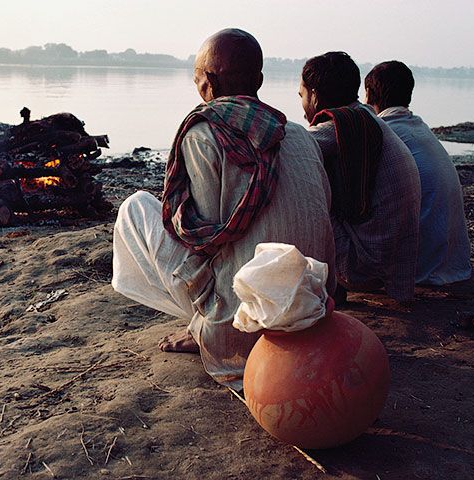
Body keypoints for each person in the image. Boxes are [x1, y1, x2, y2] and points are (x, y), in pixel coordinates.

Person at [112, 29, 336, 389]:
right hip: (314, 310)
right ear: (259, 80)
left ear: (208, 83)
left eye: (197, 76)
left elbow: (204, 239)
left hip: (241, 329)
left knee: (136, 208)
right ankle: (213, 323)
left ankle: (207, 328)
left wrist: (207, 325)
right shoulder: (299, 134)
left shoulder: (204, 133)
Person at [299, 52, 421, 303]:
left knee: (296, 183)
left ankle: (326, 288)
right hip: (393, 265)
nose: (302, 106)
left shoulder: (339, 126)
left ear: (314, 95)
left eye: (301, 96)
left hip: (364, 266)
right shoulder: (365, 118)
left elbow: (289, 152)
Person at [365, 61, 471, 285]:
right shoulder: (418, 128)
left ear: (368, 94)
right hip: (453, 264)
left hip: (421, 269)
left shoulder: (385, 132)